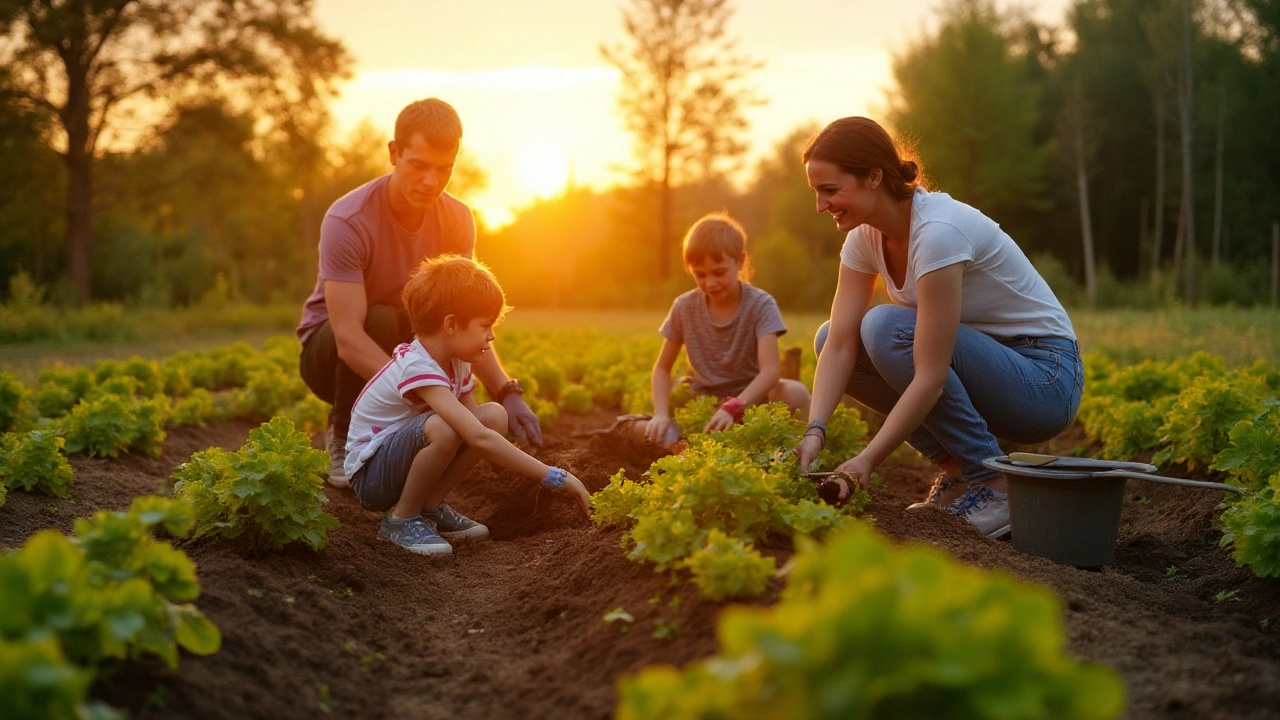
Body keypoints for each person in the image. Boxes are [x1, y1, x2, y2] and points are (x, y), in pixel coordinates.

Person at [793, 117, 1083, 539]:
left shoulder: (938, 232)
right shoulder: (863, 237)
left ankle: (995, 483)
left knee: (885, 328)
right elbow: (838, 345)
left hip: (1044, 378)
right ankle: (958, 471)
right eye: (816, 192)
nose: (821, 205)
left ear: (874, 177)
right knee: (830, 336)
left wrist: (866, 461)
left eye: (830, 190)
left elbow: (930, 376)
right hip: (987, 370)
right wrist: (814, 431)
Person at [297, 98, 542, 489]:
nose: (431, 181)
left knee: (434, 332)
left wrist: (507, 391)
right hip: (331, 358)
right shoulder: (348, 220)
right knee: (379, 317)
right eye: (419, 165)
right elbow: (348, 338)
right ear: (394, 154)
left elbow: (465, 321)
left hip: (406, 347)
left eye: (445, 169)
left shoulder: (458, 218)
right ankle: (343, 434)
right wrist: (423, 391)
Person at [345, 254, 592, 556]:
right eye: (485, 326)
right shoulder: (417, 365)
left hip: (399, 459)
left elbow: (478, 426)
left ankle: (429, 505)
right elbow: (476, 438)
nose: (492, 336)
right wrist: (556, 477)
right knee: (444, 428)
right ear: (451, 324)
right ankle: (401, 519)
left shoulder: (458, 362)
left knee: (494, 417)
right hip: (371, 477)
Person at [639, 213, 811, 444]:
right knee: (644, 429)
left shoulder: (761, 304)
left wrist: (734, 407)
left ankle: (801, 451)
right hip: (704, 403)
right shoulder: (684, 306)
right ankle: (680, 442)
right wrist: (660, 413)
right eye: (700, 275)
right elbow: (662, 368)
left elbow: (770, 372)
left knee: (795, 392)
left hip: (751, 401)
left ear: (740, 261)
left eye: (719, 272)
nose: (710, 283)